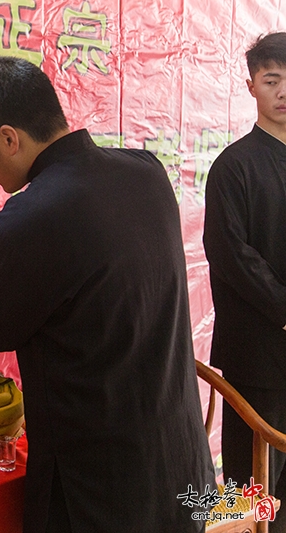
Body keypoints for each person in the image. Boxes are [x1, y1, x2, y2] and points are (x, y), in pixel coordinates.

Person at [0, 57, 214, 532]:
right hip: (180, 461)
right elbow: (81, 265)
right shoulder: (144, 171)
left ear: (8, 137)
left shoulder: (28, 218)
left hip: (100, 485)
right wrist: (2, 249)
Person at [203, 31, 286, 532]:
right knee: (252, 494)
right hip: (255, 359)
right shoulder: (233, 167)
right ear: (251, 85)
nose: (283, 91)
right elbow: (232, 256)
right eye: (272, 80)